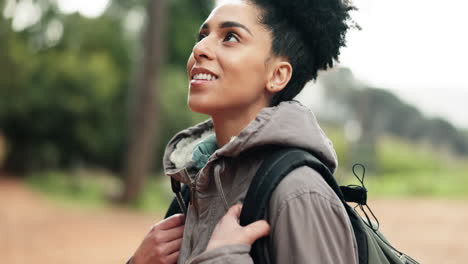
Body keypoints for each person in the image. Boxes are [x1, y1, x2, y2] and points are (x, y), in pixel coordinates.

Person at [129, 0, 359, 263]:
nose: (199, 49)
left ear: (277, 75)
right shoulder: (196, 186)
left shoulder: (298, 192)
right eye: (203, 36)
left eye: (230, 37)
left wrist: (223, 259)